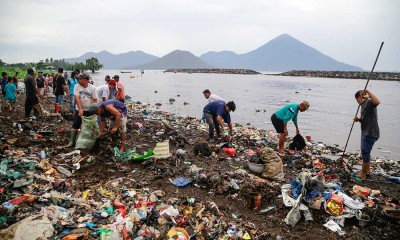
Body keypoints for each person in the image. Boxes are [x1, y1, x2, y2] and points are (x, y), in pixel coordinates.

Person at [353, 89, 380, 180]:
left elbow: (377, 102)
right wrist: (359, 119)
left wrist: (368, 91)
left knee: (365, 152)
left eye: (357, 100)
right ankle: (367, 169)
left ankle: (363, 174)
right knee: (366, 152)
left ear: (359, 97)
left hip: (370, 132)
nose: (357, 102)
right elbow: (365, 119)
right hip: (365, 131)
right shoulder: (363, 106)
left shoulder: (368, 102)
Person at [66, 73, 98, 147]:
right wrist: (80, 109)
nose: (78, 80)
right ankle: (72, 142)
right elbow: (77, 98)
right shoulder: (77, 86)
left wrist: (94, 111)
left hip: (89, 110)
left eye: (80, 79)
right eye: (78, 79)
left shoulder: (92, 88)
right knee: (75, 125)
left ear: (86, 80)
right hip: (79, 109)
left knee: (89, 126)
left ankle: (90, 142)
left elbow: (95, 100)